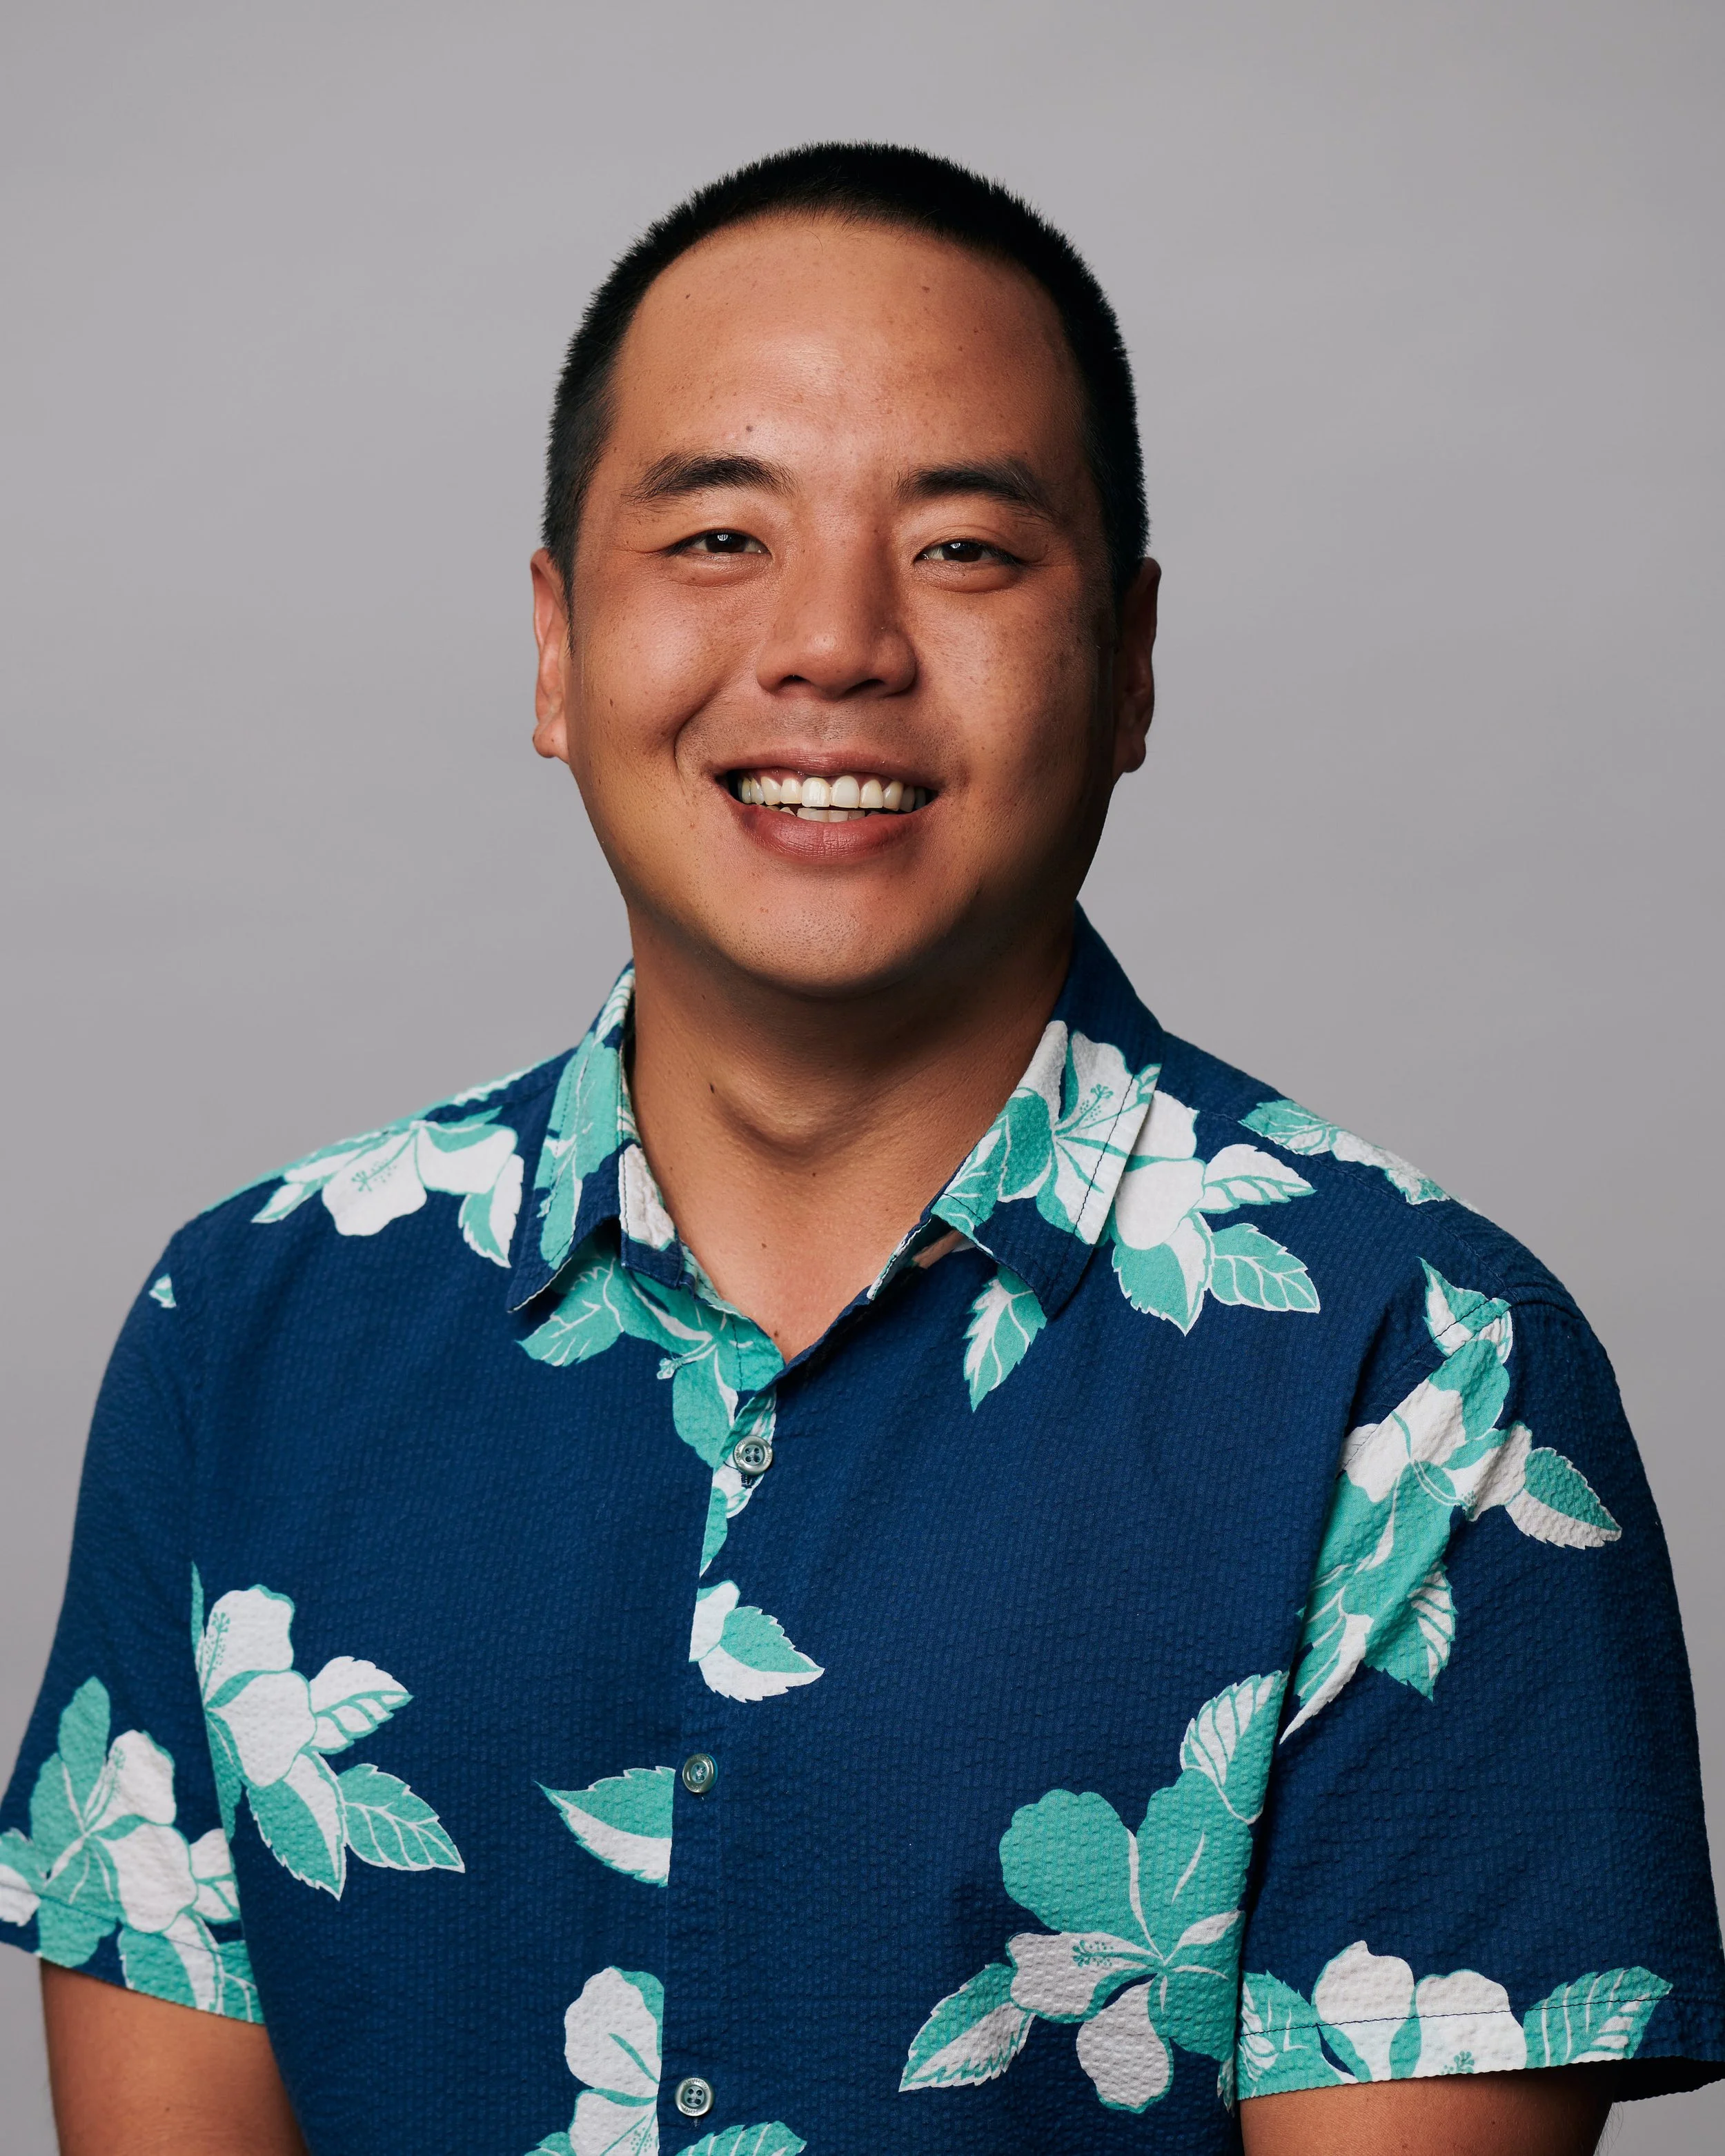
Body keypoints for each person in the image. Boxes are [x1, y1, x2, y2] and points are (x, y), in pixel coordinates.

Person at [2, 142, 1719, 2156]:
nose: (832, 644)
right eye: (719, 535)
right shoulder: (252, 1331)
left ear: (1135, 660)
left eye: (967, 551)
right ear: (555, 648)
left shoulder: (1424, 1376)